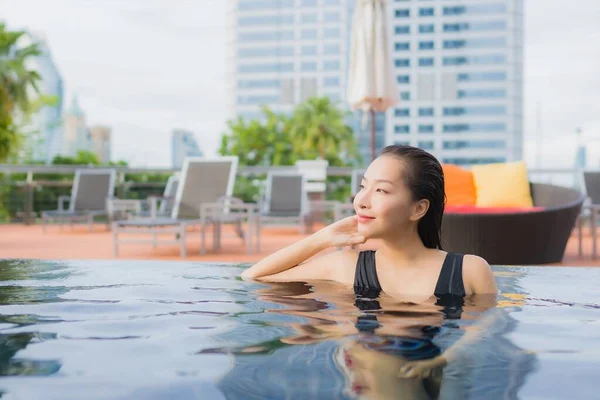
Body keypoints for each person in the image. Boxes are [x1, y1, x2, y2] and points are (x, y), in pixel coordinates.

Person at [242, 145, 498, 300]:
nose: (360, 200)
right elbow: (253, 277)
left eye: (381, 191)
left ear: (418, 208)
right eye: (363, 186)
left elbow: (481, 335)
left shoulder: (470, 272)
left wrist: (439, 360)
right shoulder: (345, 266)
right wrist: (324, 238)